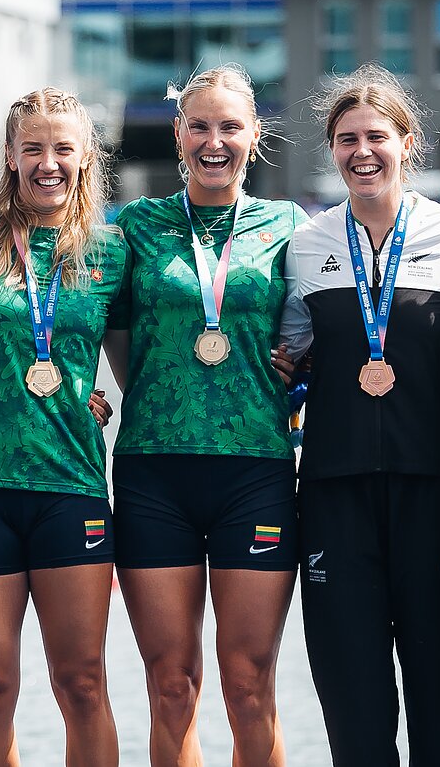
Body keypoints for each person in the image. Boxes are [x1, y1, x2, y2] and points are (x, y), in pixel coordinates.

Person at [278, 64, 440, 766]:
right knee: (354, 713)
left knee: (438, 713)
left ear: (406, 143)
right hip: (335, 495)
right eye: (346, 140)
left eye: (376, 137)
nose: (362, 152)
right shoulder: (307, 244)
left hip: (434, 492)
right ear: (331, 150)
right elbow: (289, 351)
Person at [103, 64, 304, 766]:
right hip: (154, 474)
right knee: (171, 685)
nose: (213, 141)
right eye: (199, 126)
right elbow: (108, 334)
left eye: (229, 127)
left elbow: (329, 321)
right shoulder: (136, 226)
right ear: (178, 133)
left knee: (248, 685)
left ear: (254, 135)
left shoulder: (290, 226)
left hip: (256, 472)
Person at [0, 87, 125, 767]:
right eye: (33, 148)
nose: (49, 163)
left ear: (85, 157)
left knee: (82, 683)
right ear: (11, 156)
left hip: (69, 486)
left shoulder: (112, 252)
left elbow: (144, 360)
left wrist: (284, 357)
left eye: (63, 148)